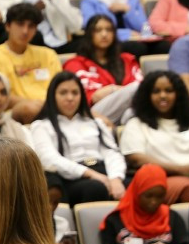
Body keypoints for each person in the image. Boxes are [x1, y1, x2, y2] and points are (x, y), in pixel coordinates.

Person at [117, 72, 189, 202]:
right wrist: (181, 170)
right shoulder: (136, 125)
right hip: (165, 178)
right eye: (156, 91)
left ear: (179, 94)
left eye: (169, 91)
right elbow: (136, 158)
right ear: (147, 96)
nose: (163, 96)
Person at [30, 70, 125, 206]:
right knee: (95, 188)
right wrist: (90, 174)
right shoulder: (41, 125)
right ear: (52, 96)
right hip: (71, 178)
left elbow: (111, 152)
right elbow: (49, 159)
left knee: (138, 184)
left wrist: (116, 178)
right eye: (63, 93)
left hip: (104, 171)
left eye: (75, 93)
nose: (70, 98)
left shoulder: (95, 122)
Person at [96, 165, 189, 244]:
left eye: (160, 196)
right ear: (137, 192)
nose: (154, 202)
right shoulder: (114, 220)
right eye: (148, 196)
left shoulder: (172, 217)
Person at [0, 3, 63, 123]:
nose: (25, 31)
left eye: (31, 26)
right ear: (8, 26)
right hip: (10, 113)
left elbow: (59, 88)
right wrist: (34, 103)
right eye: (20, 24)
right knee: (29, 109)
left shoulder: (48, 55)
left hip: (50, 108)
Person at [65, 14, 143, 124]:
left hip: (125, 111)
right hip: (93, 113)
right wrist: (121, 91)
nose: (104, 34)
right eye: (98, 30)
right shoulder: (76, 63)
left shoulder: (127, 59)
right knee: (135, 88)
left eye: (109, 30)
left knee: (131, 114)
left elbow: (142, 91)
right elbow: (95, 96)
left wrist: (112, 90)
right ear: (89, 34)